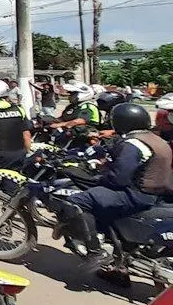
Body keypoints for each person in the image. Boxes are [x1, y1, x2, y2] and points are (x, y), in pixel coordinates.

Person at [54, 103, 173, 271]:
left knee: (77, 201)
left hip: (136, 194)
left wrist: (98, 178)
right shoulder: (154, 139)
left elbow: (119, 178)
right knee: (102, 206)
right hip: (155, 193)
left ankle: (95, 253)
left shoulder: (133, 143)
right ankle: (118, 271)